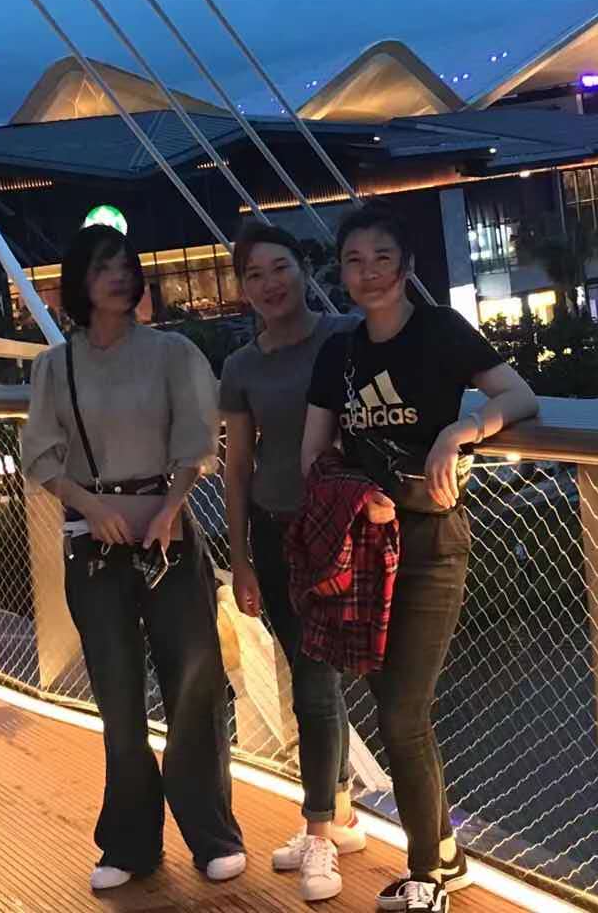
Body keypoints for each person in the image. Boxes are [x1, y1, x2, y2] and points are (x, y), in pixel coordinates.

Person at [301, 205, 539, 913]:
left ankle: (426, 875)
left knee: (404, 710)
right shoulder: (338, 354)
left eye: (382, 257)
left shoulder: (439, 330)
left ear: (405, 266)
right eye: (353, 260)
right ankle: (445, 855)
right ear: (340, 274)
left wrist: (460, 432)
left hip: (433, 542)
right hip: (368, 546)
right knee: (395, 706)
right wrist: (360, 497)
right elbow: (314, 456)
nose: (368, 272)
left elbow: (519, 395)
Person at [21, 225, 245, 891]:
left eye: (125, 265)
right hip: (95, 543)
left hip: (168, 537)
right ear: (78, 283)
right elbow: (42, 454)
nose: (118, 276)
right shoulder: (55, 367)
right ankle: (129, 842)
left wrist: (173, 506)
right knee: (118, 699)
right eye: (102, 267)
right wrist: (90, 507)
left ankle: (212, 834)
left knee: (194, 686)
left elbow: (197, 438)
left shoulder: (173, 353)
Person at [221, 223, 376, 903]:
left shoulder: (346, 337)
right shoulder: (241, 367)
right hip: (274, 530)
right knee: (308, 674)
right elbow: (236, 467)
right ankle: (339, 815)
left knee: (314, 680)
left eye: (280, 267)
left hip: (338, 531)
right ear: (242, 288)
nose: (270, 284)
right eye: (254, 275)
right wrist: (239, 558)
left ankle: (317, 832)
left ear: (303, 269)